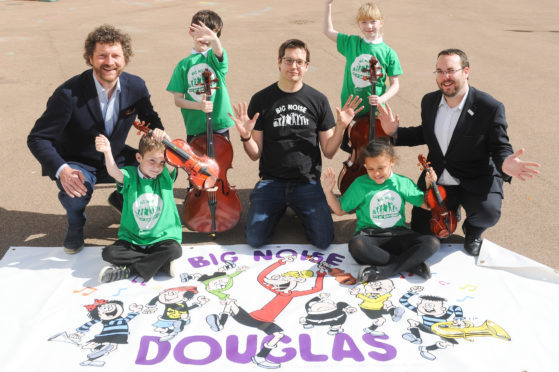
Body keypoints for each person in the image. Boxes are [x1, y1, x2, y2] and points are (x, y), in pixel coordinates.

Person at [378, 48, 540, 256]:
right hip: (438, 179)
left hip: (475, 177)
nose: (445, 77)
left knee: (488, 213)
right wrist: (394, 133)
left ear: (466, 71)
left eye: (451, 71)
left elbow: (500, 146)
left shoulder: (489, 107)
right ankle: (450, 209)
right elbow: (425, 133)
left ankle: (472, 230)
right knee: (422, 230)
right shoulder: (429, 101)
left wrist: (506, 163)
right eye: (440, 71)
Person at [27, 24, 164, 254]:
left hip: (117, 155)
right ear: (90, 58)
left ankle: (120, 197)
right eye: (102, 55)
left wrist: (159, 132)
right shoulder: (68, 94)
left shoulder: (136, 86)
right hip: (78, 160)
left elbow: (150, 118)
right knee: (75, 194)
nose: (109, 62)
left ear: (125, 58)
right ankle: (76, 224)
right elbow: (37, 137)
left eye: (115, 56)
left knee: (159, 168)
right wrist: (62, 169)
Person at [229, 39, 363, 250]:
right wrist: (246, 136)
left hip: (306, 182)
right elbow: (255, 154)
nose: (294, 67)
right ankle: (278, 207)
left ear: (307, 66)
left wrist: (341, 127)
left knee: (324, 240)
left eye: (299, 62)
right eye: (289, 60)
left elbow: (328, 151)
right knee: (255, 239)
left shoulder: (318, 100)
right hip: (271, 181)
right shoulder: (262, 99)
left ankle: (298, 209)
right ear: (279, 63)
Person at [322, 139, 440, 281]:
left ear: (392, 161)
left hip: (399, 234)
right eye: (370, 169)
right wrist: (328, 192)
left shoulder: (402, 182)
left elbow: (427, 205)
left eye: (381, 168)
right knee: (356, 245)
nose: (376, 173)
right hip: (370, 237)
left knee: (432, 243)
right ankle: (411, 265)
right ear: (365, 165)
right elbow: (340, 210)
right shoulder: (360, 184)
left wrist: (430, 185)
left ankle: (382, 271)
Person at [94, 133, 182, 284]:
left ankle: (129, 271)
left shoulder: (165, 176)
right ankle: (161, 265)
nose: (157, 166)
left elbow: (172, 159)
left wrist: (167, 140)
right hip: (133, 240)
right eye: (151, 160)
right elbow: (115, 172)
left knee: (174, 250)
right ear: (139, 158)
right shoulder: (130, 174)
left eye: (162, 162)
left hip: (162, 239)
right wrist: (108, 152)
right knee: (109, 253)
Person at [324, 0, 402, 152]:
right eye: (364, 22)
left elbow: (395, 84)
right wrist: (328, 5)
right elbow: (328, 31)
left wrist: (382, 99)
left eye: (373, 22)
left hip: (377, 113)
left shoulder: (388, 52)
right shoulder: (351, 43)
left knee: (378, 153)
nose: (369, 26)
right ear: (358, 24)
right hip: (352, 111)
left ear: (381, 23)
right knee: (355, 151)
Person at [166, 9, 234, 142]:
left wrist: (213, 39)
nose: (204, 38)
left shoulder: (214, 57)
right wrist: (199, 106)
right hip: (195, 127)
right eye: (201, 32)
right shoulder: (183, 65)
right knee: (196, 162)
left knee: (220, 161)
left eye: (210, 34)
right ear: (191, 31)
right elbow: (178, 100)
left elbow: (218, 51)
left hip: (219, 125)